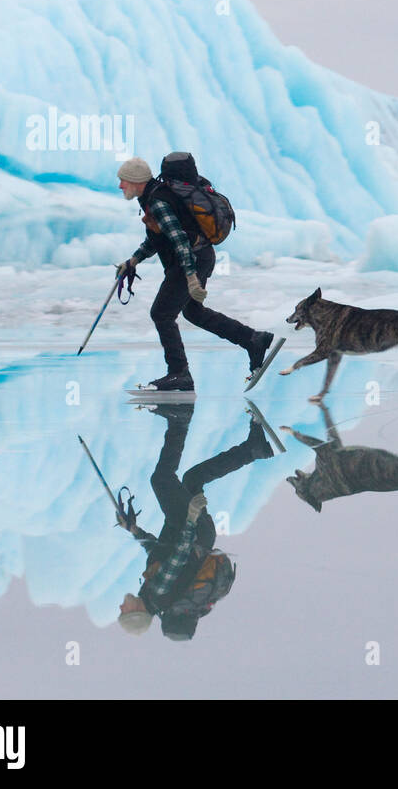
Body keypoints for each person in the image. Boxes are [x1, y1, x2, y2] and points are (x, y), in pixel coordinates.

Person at [117, 402, 275, 640]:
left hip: (196, 533)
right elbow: (180, 554)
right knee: (161, 479)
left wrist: (134, 530)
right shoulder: (158, 592)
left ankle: (254, 449)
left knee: (193, 479)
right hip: (190, 530)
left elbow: (161, 552)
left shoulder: (154, 596)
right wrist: (191, 517)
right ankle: (179, 419)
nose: (121, 608)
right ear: (137, 612)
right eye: (124, 613)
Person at [116, 154, 274, 391]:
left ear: (137, 181)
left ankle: (179, 373)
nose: (120, 186)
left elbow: (180, 241)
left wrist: (190, 278)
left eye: (124, 181)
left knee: (161, 313)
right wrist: (133, 261)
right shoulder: (153, 197)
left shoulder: (157, 201)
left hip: (191, 260)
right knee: (193, 312)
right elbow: (158, 237)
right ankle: (253, 340)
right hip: (199, 257)